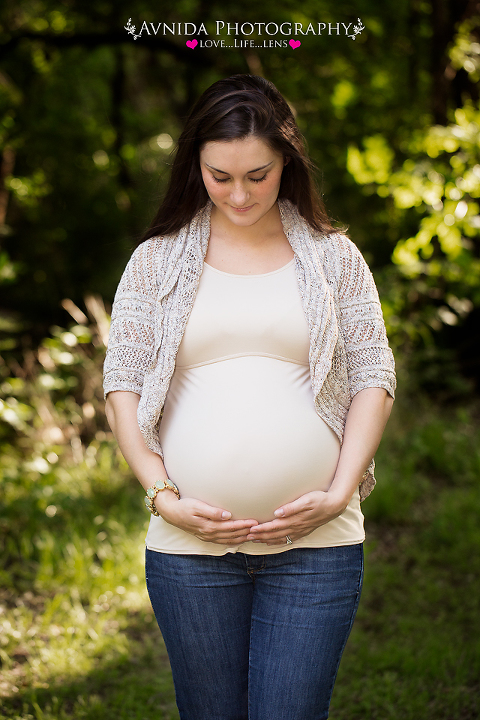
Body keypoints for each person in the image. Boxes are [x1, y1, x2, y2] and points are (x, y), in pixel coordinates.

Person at [103, 74, 396, 720]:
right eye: (220, 176)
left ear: (286, 162)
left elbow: (374, 377)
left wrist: (340, 490)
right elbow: (121, 384)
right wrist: (162, 494)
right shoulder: (155, 261)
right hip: (189, 552)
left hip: (317, 546)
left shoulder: (334, 258)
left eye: (257, 176)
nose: (239, 194)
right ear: (195, 166)